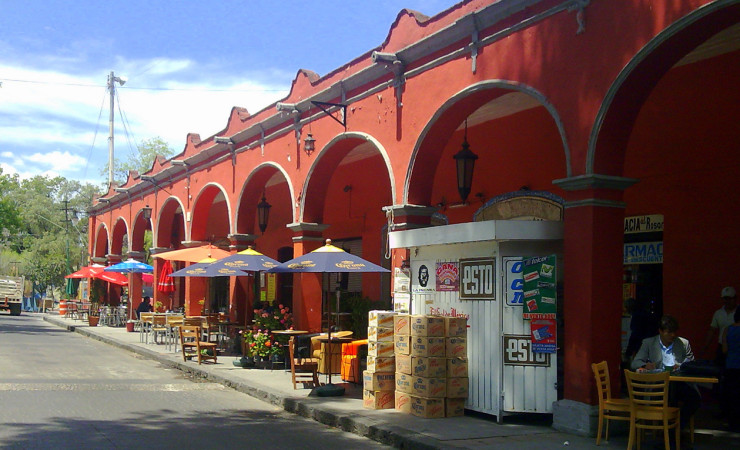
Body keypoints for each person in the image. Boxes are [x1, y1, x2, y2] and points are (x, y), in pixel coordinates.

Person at [632, 315, 699, 429]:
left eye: (674, 332)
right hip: (657, 385)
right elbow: (635, 363)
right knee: (668, 396)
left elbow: (692, 363)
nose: (673, 335)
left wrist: (682, 366)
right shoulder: (649, 343)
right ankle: (668, 431)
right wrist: (645, 365)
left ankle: (676, 428)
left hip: (679, 383)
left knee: (695, 398)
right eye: (669, 332)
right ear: (660, 331)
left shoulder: (683, 343)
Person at [703, 286, 738, 367]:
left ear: (735, 298)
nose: (727, 301)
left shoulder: (739, 311)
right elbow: (712, 330)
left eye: (729, 299)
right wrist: (705, 346)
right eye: (725, 299)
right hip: (722, 346)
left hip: (736, 347)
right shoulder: (718, 313)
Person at [721, 307, 740, 432]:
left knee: (732, 396)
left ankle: (733, 423)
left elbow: (724, 350)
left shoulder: (727, 329)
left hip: (731, 365)